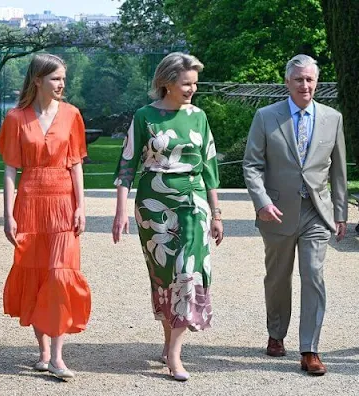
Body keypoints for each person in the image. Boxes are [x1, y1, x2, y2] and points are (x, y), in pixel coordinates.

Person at [111, 52, 223, 382]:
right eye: (186, 83)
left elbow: (210, 169)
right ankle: (167, 338)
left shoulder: (199, 117)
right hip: (153, 204)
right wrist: (120, 212)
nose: (192, 89)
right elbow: (127, 165)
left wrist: (216, 214)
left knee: (188, 272)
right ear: (167, 82)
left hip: (193, 203)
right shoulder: (145, 116)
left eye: (194, 84)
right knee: (163, 276)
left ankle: (175, 355)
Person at [243, 54, 347, 376]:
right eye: (299, 79)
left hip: (316, 212)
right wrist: (261, 202)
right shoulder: (265, 117)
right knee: (277, 278)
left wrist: (340, 213)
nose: (305, 85)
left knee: (313, 275)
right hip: (276, 212)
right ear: (287, 82)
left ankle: (310, 349)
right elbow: (252, 165)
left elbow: (339, 171)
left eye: (310, 79)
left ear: (316, 82)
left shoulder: (333, 118)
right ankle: (276, 334)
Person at [0, 53, 91, 380]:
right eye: (55, 78)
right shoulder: (15, 118)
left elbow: (76, 163)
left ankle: (57, 357)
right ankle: (42, 352)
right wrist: (7, 213)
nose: (61, 84)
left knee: (60, 275)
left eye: (63, 78)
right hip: (30, 202)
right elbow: (10, 168)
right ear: (37, 80)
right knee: (37, 275)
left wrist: (81, 206)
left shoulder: (71, 115)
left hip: (63, 203)